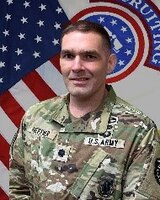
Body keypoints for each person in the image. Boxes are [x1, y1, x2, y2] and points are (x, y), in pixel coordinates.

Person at [9, 20, 160, 200]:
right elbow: (19, 189)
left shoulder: (138, 131)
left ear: (110, 63)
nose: (77, 67)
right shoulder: (35, 117)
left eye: (89, 56)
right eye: (68, 56)